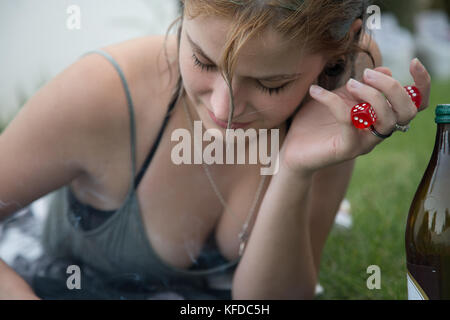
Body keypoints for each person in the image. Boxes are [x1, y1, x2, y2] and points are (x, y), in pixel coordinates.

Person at [0, 0, 431, 300]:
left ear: (334, 56)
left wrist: (295, 168)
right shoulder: (101, 94)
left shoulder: (342, 87)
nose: (223, 110)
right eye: (204, 61)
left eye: (271, 83)